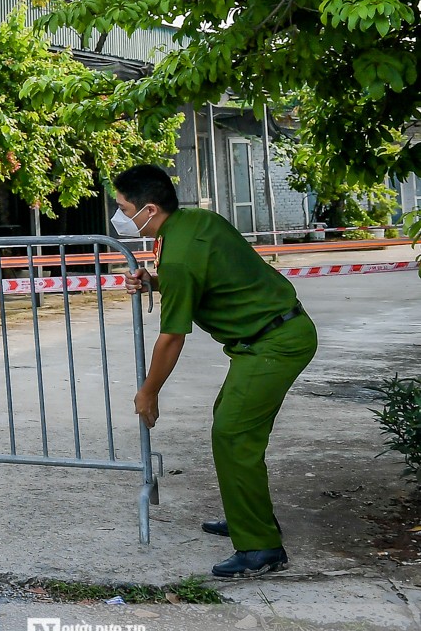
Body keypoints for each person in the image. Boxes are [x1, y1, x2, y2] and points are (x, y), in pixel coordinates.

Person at [113, 163, 316, 578]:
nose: (118, 216)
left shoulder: (181, 251)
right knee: (233, 430)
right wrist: (153, 280)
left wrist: (148, 392)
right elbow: (206, 275)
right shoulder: (193, 223)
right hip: (267, 338)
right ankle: (250, 518)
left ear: (148, 209)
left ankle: (261, 548)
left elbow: (172, 337)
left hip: (273, 343)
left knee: (233, 433)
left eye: (122, 207)